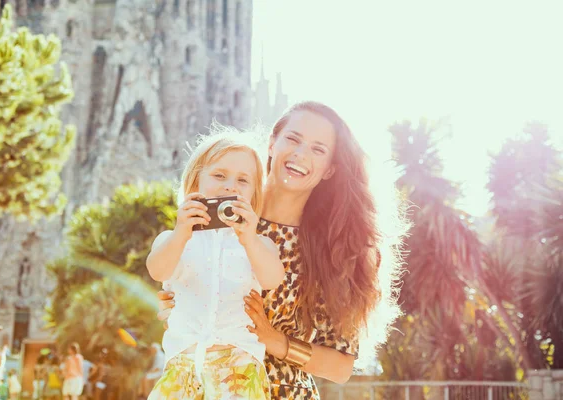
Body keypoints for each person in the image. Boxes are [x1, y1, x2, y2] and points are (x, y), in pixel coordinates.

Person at [157, 101, 408, 399]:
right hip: (205, 387)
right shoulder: (221, 215)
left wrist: (274, 341)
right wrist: (176, 305)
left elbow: (340, 367)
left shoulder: (336, 251)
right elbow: (179, 284)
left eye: (318, 149)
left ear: (330, 169)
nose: (300, 154)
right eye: (293, 139)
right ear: (272, 143)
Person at [146, 126, 285, 399]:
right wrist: (181, 233)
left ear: (254, 193)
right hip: (183, 362)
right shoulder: (173, 238)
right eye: (219, 175)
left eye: (243, 180)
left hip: (238, 365)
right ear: (195, 182)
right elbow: (157, 270)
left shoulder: (259, 243)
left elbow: (272, 279)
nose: (230, 185)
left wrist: (249, 238)